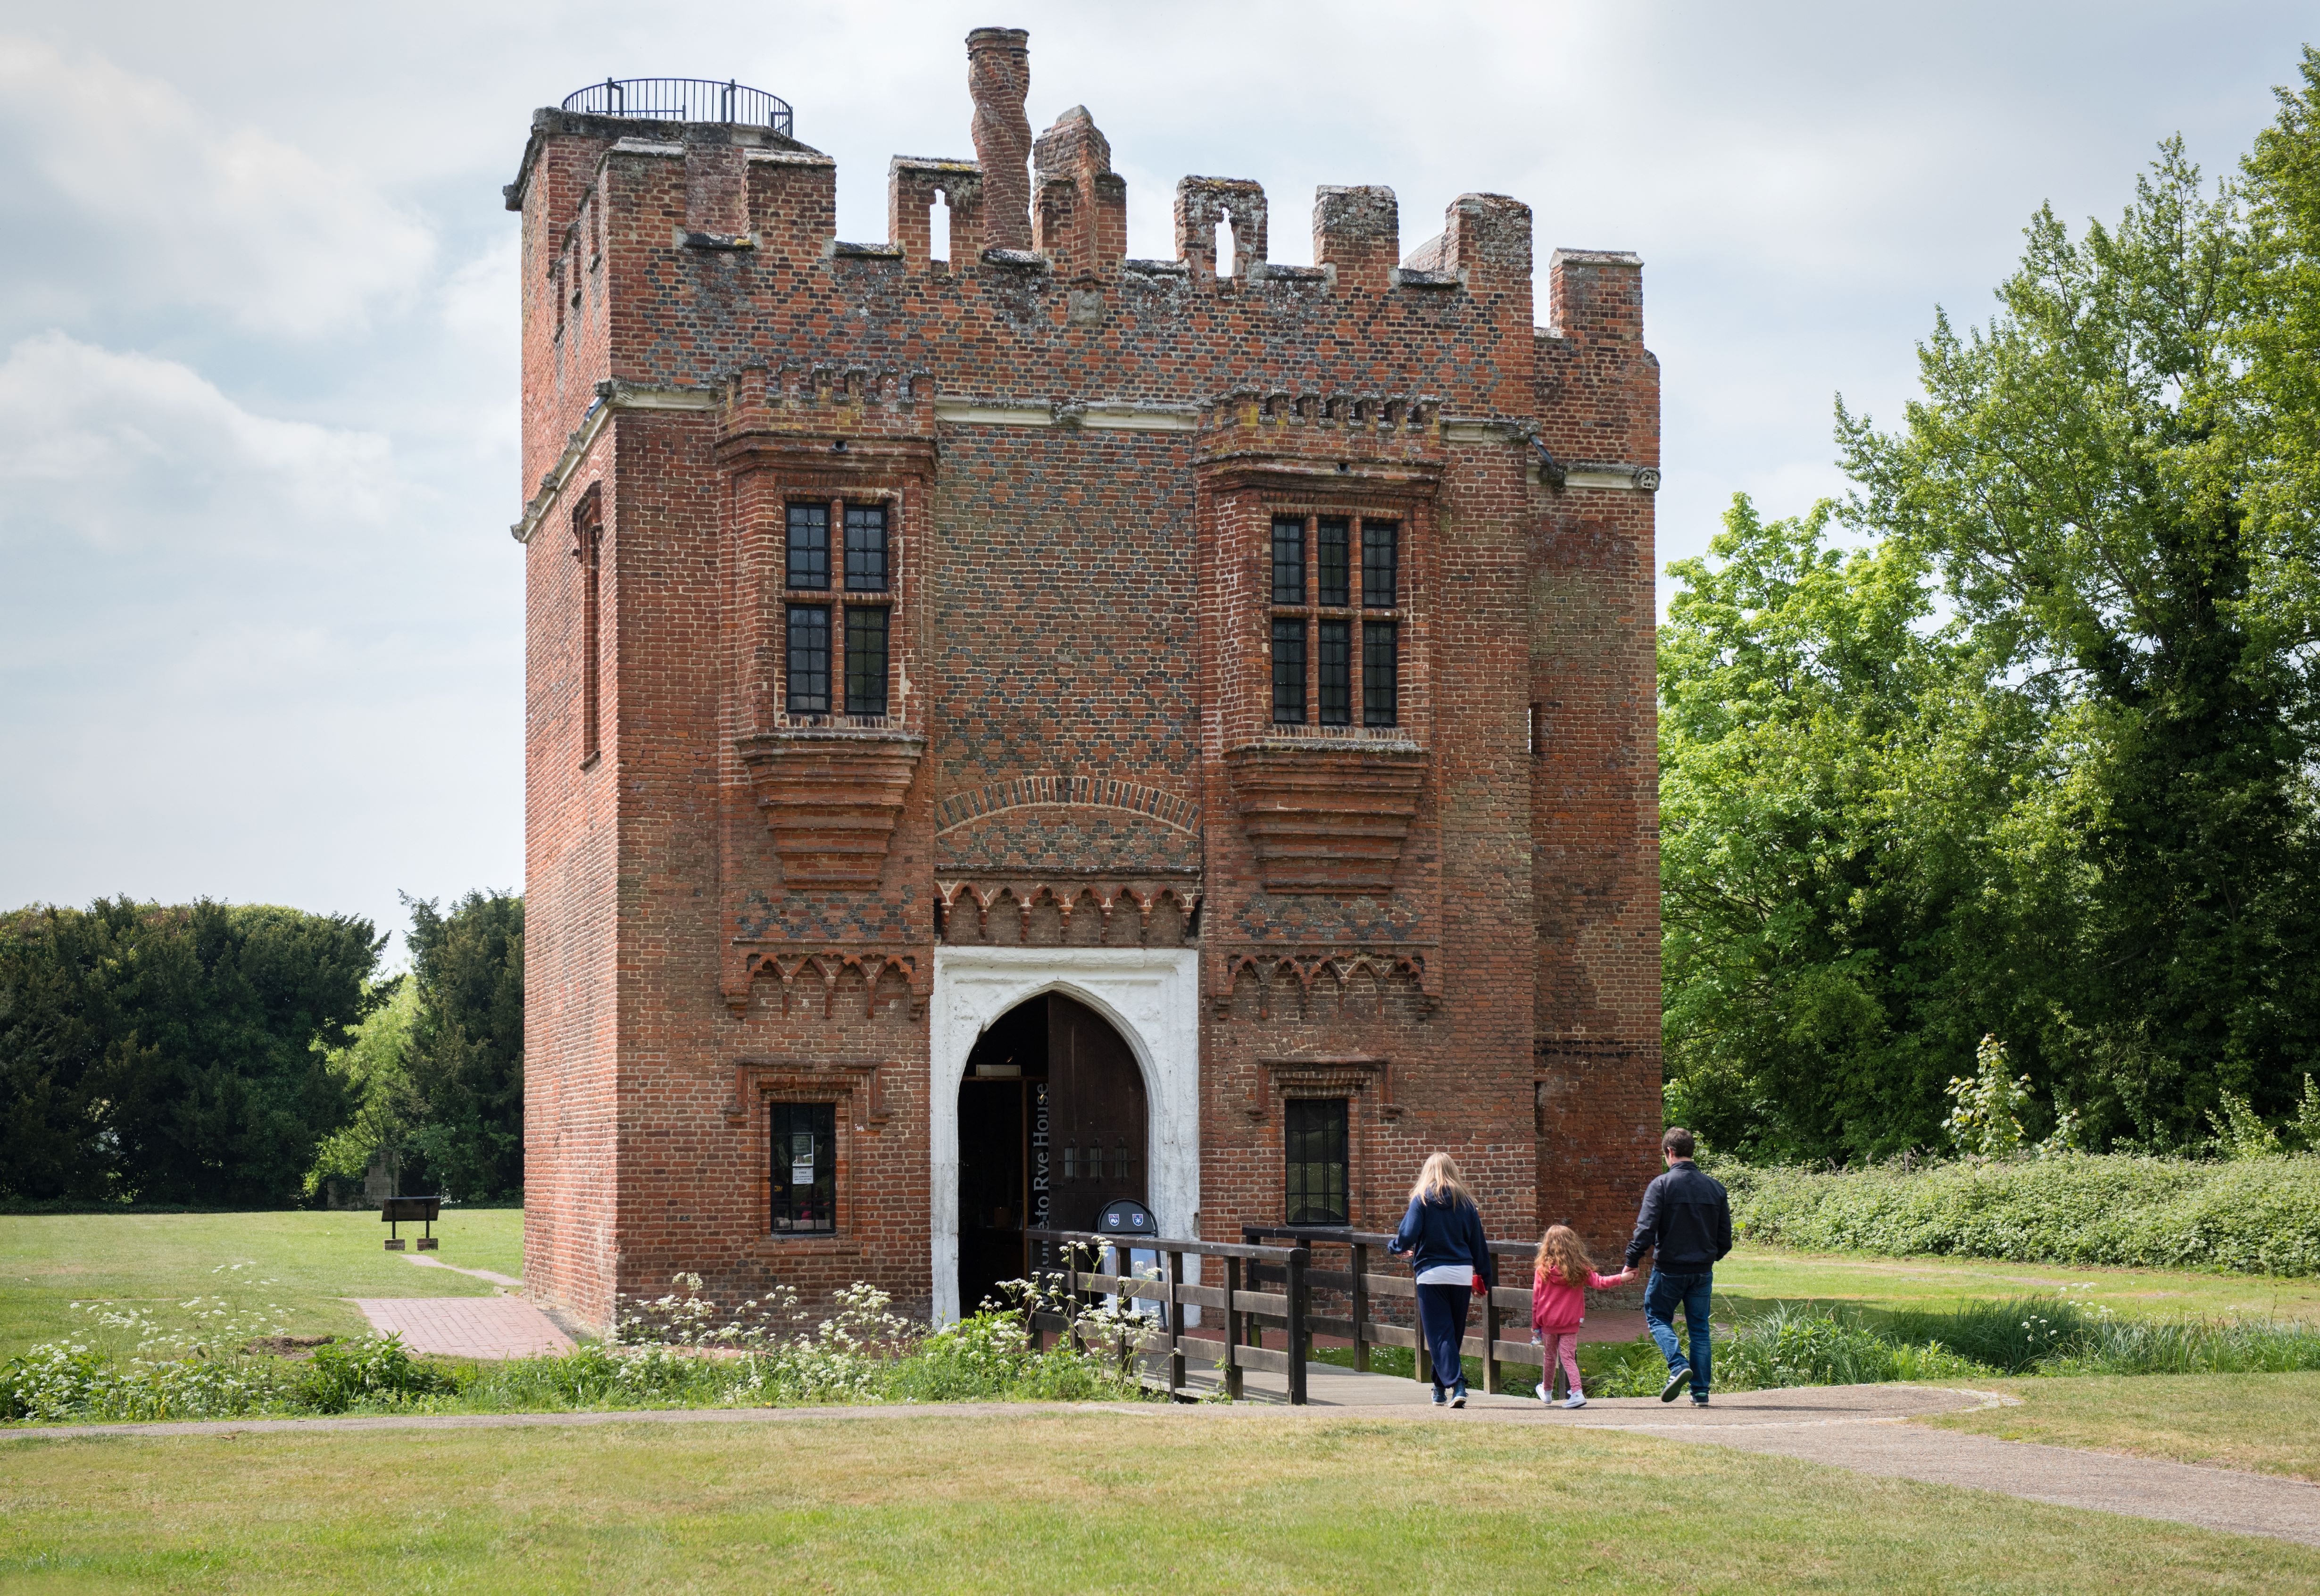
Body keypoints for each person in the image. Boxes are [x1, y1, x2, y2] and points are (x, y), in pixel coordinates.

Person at [1623, 1126, 1731, 1406]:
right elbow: (1725, 1239)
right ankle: (1701, 1393)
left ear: (1669, 1152)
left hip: (1670, 1269)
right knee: (1700, 1329)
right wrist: (1708, 1256)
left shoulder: (1661, 1185)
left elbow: (1645, 1229)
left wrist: (1631, 1261)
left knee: (1657, 1315)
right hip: (1702, 1271)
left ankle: (1677, 1365)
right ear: (1691, 1151)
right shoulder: (1716, 1188)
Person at [1388, 1152, 1495, 1408]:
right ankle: (1439, 1387)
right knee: (1452, 1333)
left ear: (1427, 1172)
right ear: (1453, 1171)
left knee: (1439, 1335)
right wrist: (1484, 1278)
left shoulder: (1421, 1200)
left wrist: (1395, 1247)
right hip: (1460, 1274)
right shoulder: (1466, 1204)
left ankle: (1458, 1384)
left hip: (1431, 1274)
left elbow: (1408, 1234)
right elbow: (1478, 1244)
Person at [1530, 1224, 1633, 1409]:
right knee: (1568, 1357)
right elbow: (1601, 1283)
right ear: (1572, 1245)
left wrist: (1535, 1325)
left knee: (1549, 1356)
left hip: (1549, 1323)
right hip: (1571, 1322)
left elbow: (1536, 1300)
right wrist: (1622, 1278)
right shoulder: (1579, 1269)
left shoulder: (1542, 1271)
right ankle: (1577, 1392)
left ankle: (1546, 1392)